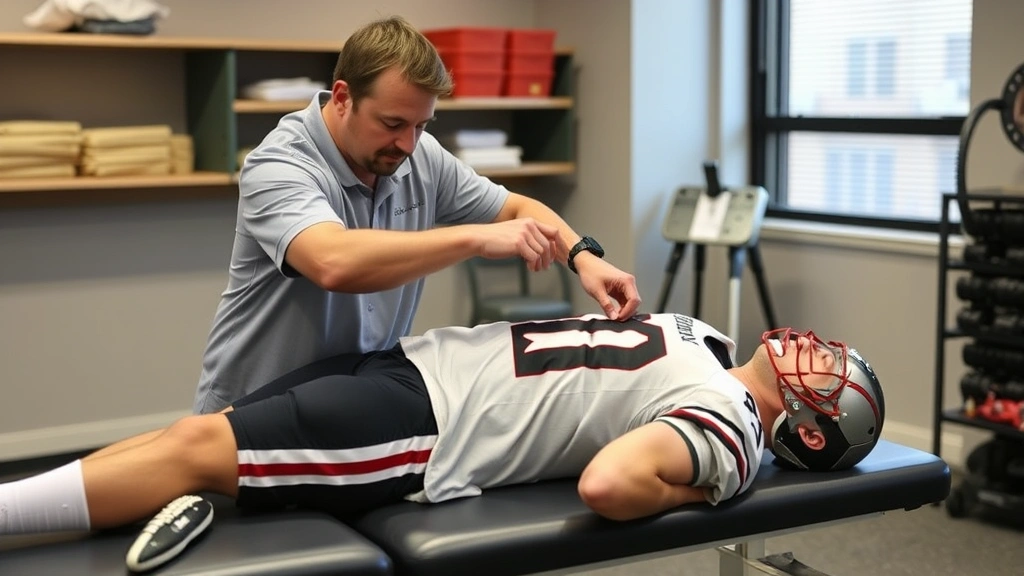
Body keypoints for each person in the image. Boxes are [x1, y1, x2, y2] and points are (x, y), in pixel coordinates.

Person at [0, 313, 884, 572]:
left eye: (835, 371)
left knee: (196, 448)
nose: (824, 350)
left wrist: (711, 491)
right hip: (422, 367)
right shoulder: (712, 344)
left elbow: (610, 487)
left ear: (808, 430)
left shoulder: (731, 436)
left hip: (430, 432)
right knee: (193, 437)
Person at [194, 15, 640, 414]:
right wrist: (474, 238)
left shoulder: (419, 156)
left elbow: (518, 208)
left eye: (422, 125)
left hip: (347, 405)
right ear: (344, 97)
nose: (407, 145)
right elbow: (332, 261)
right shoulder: (279, 163)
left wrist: (584, 256)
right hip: (251, 411)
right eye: (392, 124)